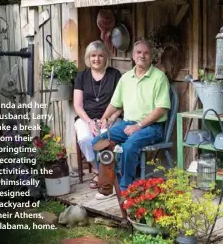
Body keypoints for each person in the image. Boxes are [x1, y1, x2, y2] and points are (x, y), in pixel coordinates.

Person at [92, 39, 171, 193]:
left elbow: (161, 108)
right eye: (139, 52)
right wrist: (103, 120)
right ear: (133, 56)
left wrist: (139, 126)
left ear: (151, 57)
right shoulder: (126, 78)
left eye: (146, 53)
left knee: (129, 147)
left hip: (151, 127)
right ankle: (109, 180)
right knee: (97, 141)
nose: (142, 55)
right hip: (127, 124)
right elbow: (115, 103)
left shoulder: (159, 77)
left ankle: (125, 187)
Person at [73, 40, 122, 189]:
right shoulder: (81, 76)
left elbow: (121, 103)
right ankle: (97, 170)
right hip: (86, 118)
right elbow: (78, 105)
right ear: (88, 57)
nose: (97, 59)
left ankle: (107, 171)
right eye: (93, 55)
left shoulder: (114, 75)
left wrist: (111, 118)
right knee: (85, 138)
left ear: (106, 57)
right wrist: (89, 122)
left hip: (110, 118)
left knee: (106, 137)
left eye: (100, 55)